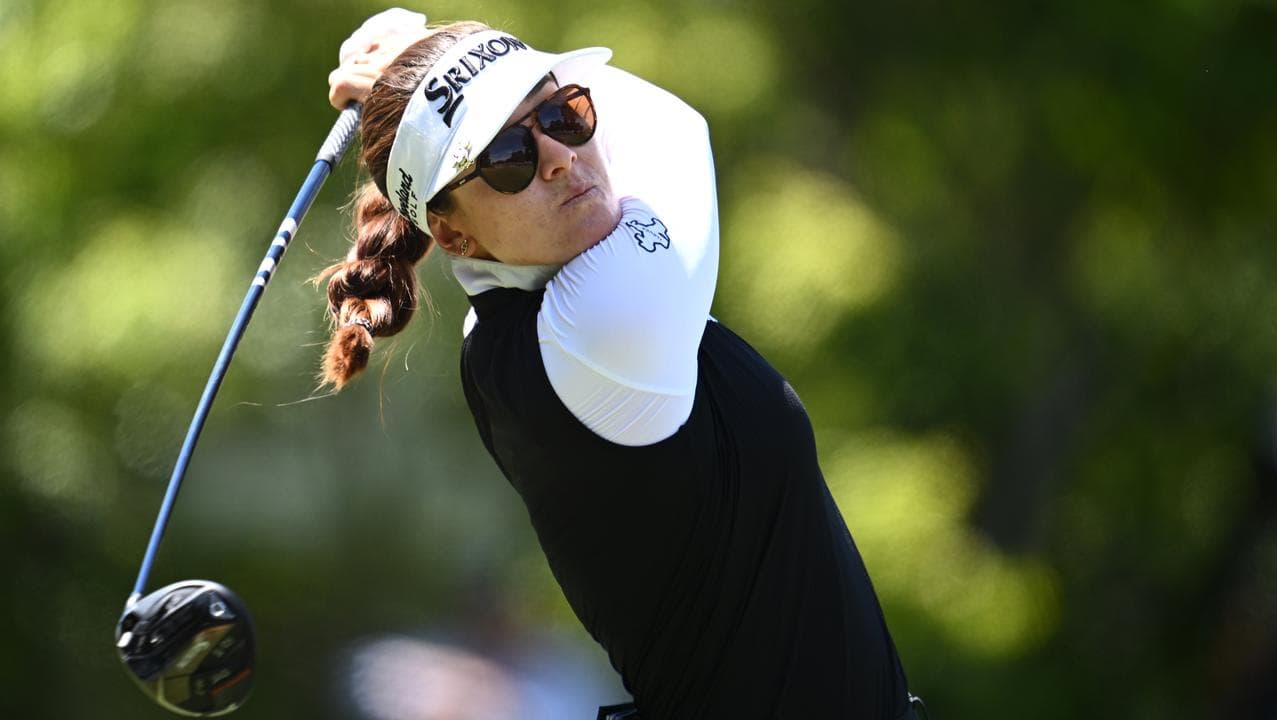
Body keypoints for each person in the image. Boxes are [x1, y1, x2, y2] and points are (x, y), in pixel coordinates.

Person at [322, 8, 924, 719]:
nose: (558, 156)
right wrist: (424, 55)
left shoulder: (524, 311)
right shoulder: (597, 328)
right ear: (453, 236)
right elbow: (675, 129)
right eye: (507, 157)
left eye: (564, 113)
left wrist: (435, 74)